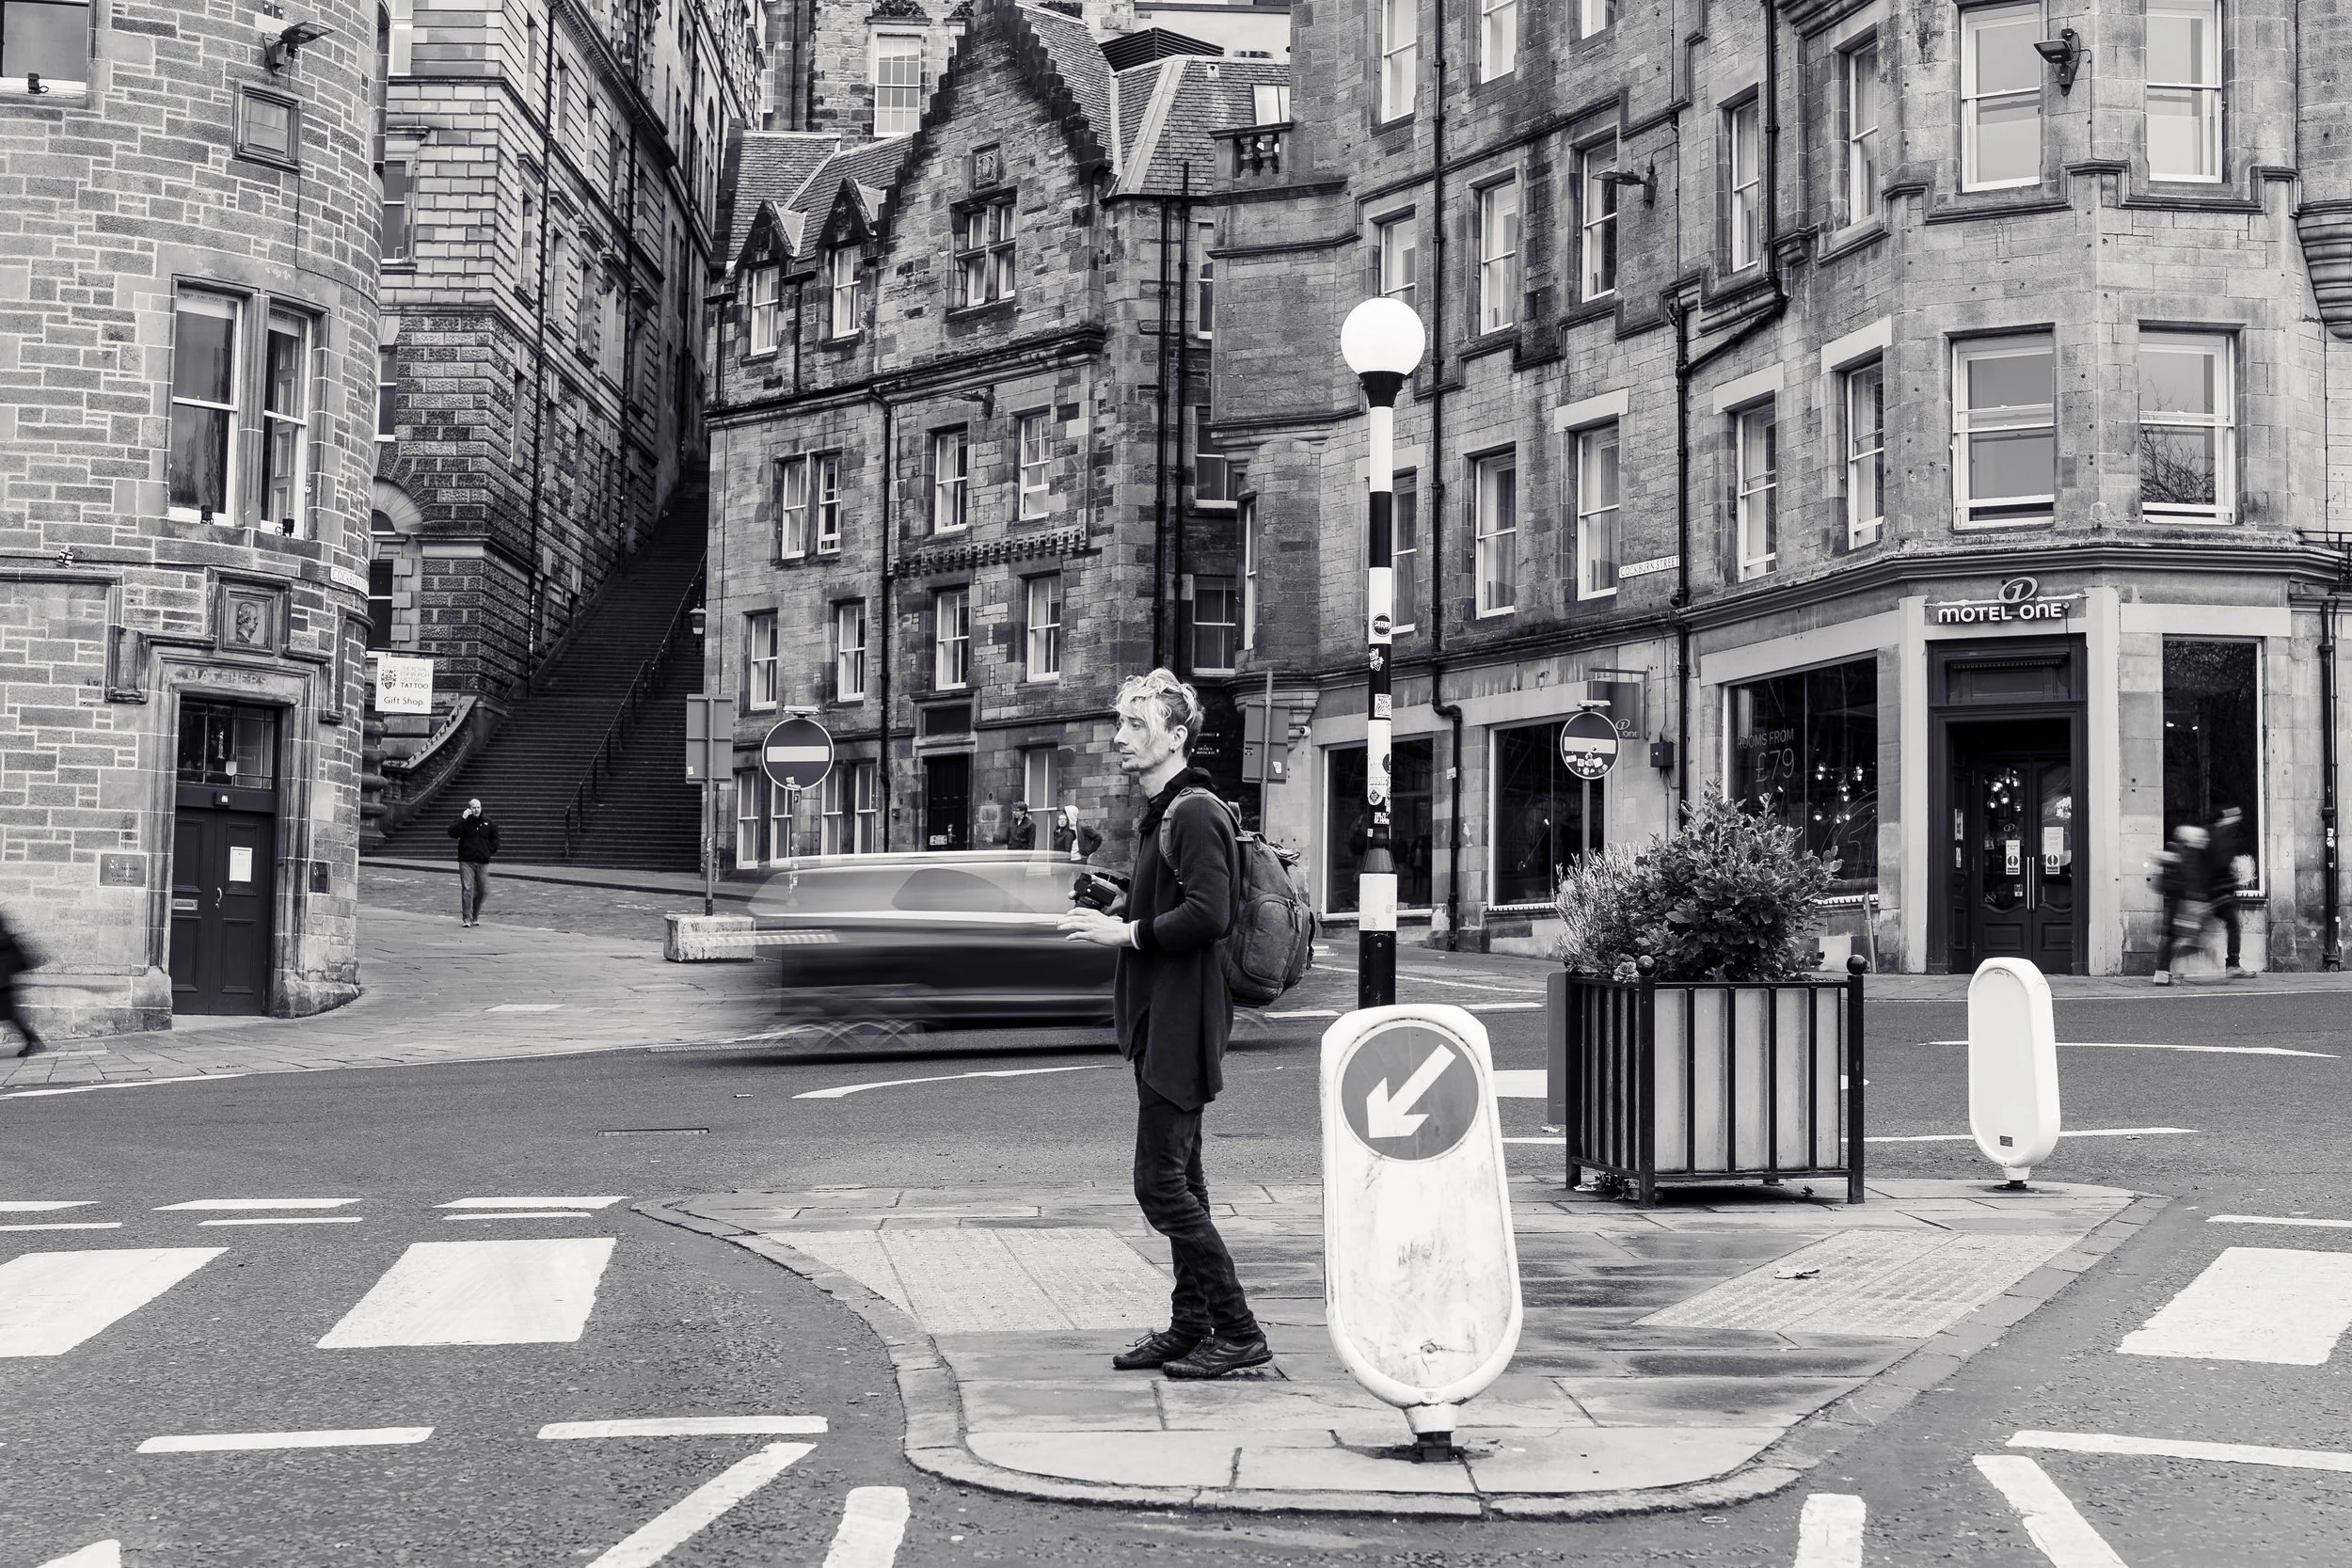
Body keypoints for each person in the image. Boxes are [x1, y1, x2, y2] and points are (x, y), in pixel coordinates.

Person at [1058, 669, 1267, 1380]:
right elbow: (1179, 903)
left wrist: (1126, 935)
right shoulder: (1163, 812)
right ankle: (1191, 1322)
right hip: (1160, 1013)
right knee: (1186, 1178)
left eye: (1137, 725)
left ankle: (1238, 1328)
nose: (1121, 737)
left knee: (1159, 1184)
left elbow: (1212, 916)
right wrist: (1123, 907)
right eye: (1122, 724)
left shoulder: (1197, 810)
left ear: (1176, 737)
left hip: (1184, 1015)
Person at [2153, 822, 2210, 986]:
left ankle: (2163, 973)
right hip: (2183, 902)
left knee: (2173, 936)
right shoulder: (2188, 854)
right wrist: (2197, 899)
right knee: (2181, 936)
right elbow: (2191, 879)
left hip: (2174, 901)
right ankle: (2166, 973)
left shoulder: (2175, 852)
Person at [2202, 804, 2251, 979]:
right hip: (2220, 891)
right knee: (2233, 926)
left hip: (2212, 890)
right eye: (2233, 818)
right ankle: (2232, 964)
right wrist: (2232, 880)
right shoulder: (2220, 836)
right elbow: (2220, 864)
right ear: (2226, 819)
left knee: (2196, 929)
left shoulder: (2211, 834)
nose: (2235, 822)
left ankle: (2167, 966)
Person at [0, 907, 46, 1058]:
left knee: (12, 1015)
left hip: (2, 984)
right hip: (4, 982)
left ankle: (34, 1042)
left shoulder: (3, 939)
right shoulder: (5, 937)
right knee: (11, 1015)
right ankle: (34, 1042)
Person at [448, 798, 500, 927]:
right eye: (474, 807)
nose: (476, 810)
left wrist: (489, 850)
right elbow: (452, 832)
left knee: (482, 890)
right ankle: (467, 917)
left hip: (482, 861)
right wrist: (462, 818)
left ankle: (474, 914)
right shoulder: (464, 822)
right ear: (469, 809)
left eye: (478, 807)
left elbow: (495, 838)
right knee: (467, 889)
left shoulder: (488, 822)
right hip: (466, 861)